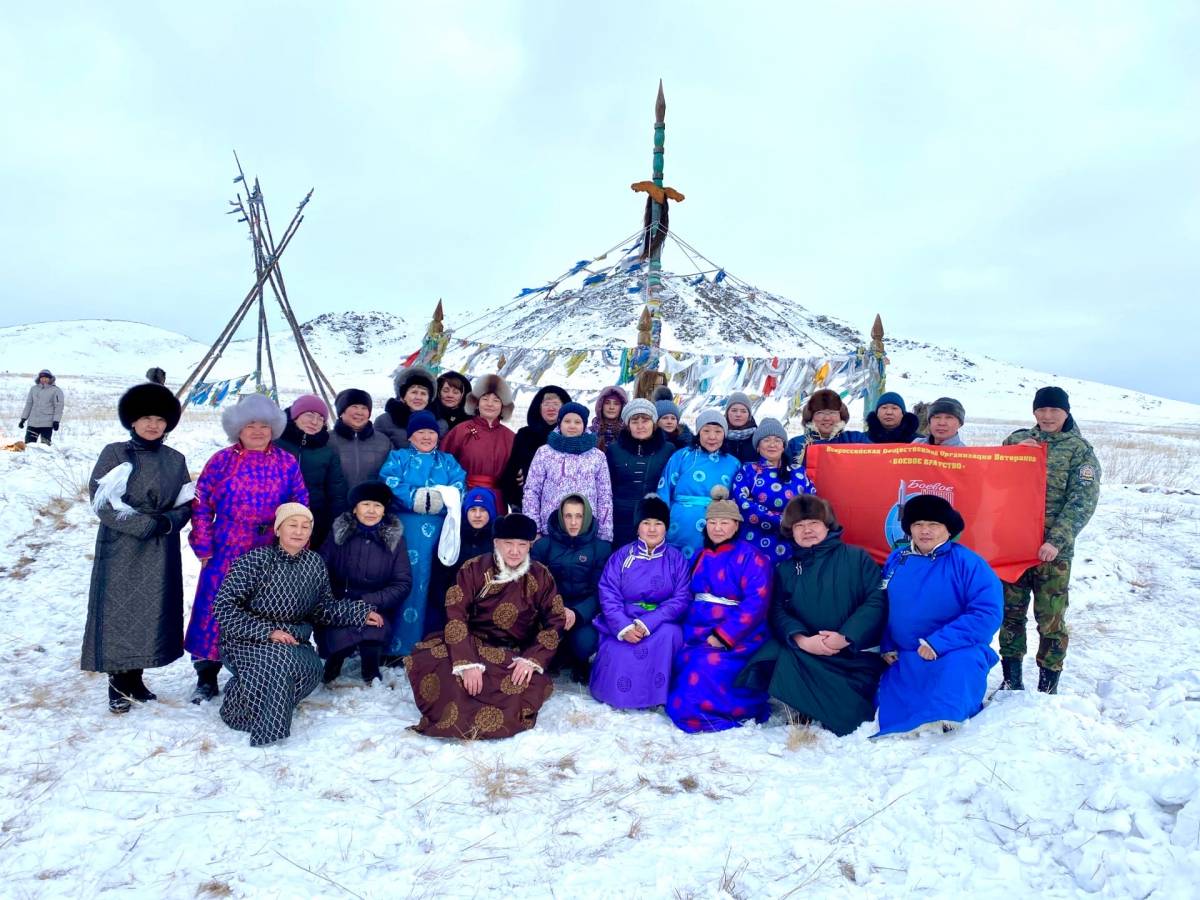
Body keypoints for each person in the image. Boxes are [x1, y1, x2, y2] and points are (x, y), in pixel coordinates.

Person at [214, 503, 382, 746]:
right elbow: (224, 608)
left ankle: (249, 698)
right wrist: (268, 631)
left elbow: (322, 608)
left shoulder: (314, 564)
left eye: (306, 527)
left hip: (293, 641)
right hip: (246, 640)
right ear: (278, 529)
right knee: (277, 664)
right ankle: (252, 720)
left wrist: (357, 613)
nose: (299, 531)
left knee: (311, 670)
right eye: (292, 525)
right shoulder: (254, 560)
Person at [187, 394, 307, 703]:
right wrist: (203, 544)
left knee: (261, 609)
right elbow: (200, 505)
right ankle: (206, 674)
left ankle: (251, 670)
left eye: (264, 425)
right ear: (237, 428)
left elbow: (299, 502)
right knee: (215, 608)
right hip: (227, 544)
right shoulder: (221, 461)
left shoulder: (286, 461)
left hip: (268, 547)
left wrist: (294, 538)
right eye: (250, 425)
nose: (257, 431)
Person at [406, 513, 568, 740]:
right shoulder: (472, 569)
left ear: (530, 546)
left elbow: (556, 620)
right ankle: (451, 720)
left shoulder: (540, 575)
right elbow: (455, 615)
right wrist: (467, 663)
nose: (514, 551)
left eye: (522, 545)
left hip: (511, 654)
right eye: (508, 544)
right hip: (469, 643)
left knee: (519, 686)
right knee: (447, 673)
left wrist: (532, 659)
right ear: (495, 543)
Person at [82, 383, 192, 713]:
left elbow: (187, 503)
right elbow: (102, 502)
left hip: (162, 549)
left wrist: (168, 522)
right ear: (132, 421)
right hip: (122, 547)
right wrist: (143, 525)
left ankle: (137, 679)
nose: (152, 425)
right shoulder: (115, 454)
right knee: (120, 612)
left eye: (159, 419)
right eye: (145, 417)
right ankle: (118, 683)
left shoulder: (175, 459)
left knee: (151, 612)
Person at [737, 495, 885, 736]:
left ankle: (825, 707)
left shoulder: (856, 558)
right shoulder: (785, 569)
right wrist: (802, 639)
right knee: (771, 654)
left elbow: (877, 599)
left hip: (849, 655)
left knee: (854, 713)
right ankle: (799, 705)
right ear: (791, 532)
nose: (807, 530)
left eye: (813, 523)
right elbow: (777, 610)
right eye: (799, 526)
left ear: (827, 525)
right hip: (807, 651)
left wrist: (846, 636)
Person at [999, 387, 1101, 694]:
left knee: (1050, 618)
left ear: (1066, 413)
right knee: (1010, 614)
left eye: (1054, 410)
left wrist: (1056, 540)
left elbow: (1082, 500)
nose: (1047, 416)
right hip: (1014, 547)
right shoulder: (1016, 441)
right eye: (1041, 410)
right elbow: (993, 483)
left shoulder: (1079, 450)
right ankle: (1011, 680)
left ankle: (1048, 683)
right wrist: (1014, 457)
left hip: (1052, 551)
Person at [876, 495, 1003, 736]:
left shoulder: (969, 563)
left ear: (948, 529)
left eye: (933, 525)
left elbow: (986, 613)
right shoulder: (896, 559)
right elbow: (883, 605)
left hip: (954, 651)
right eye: (918, 524)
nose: (925, 531)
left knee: (956, 675)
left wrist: (938, 643)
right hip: (906, 654)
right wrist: (887, 643)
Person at [667, 487, 772, 733]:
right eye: (712, 522)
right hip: (696, 629)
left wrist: (724, 636)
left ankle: (710, 713)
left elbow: (756, 602)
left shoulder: (752, 558)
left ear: (737, 525)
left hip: (736, 636)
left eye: (724, 522)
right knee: (678, 655)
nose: (717, 528)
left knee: (705, 665)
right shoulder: (701, 555)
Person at [378, 410, 467, 658]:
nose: (426, 437)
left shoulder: (448, 461)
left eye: (431, 432)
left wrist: (442, 497)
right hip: (403, 531)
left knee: (432, 585)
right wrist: (414, 496)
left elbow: (460, 484)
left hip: (438, 534)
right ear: (410, 436)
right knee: (403, 581)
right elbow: (388, 481)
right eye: (420, 432)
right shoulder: (398, 458)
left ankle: (428, 642)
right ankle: (395, 645)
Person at [590, 495, 691, 709]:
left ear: (666, 528)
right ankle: (619, 697)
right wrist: (624, 626)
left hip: (661, 622)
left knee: (669, 636)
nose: (652, 529)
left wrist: (649, 623)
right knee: (621, 651)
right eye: (646, 523)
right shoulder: (621, 556)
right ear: (637, 527)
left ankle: (657, 697)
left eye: (658, 523)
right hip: (625, 620)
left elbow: (682, 598)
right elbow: (608, 592)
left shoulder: (676, 559)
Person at [317, 481, 413, 685]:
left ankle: (370, 670)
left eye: (377, 505)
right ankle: (334, 663)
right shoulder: (338, 534)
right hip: (340, 603)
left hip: (376, 604)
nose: (371, 510)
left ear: (384, 510)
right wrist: (340, 605)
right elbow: (320, 571)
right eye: (366, 504)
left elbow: (402, 582)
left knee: (373, 630)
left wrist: (369, 601)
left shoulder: (396, 539)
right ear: (355, 508)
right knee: (338, 637)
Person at [531, 494, 612, 682]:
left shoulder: (601, 549)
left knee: (584, 643)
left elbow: (601, 591)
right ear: (561, 517)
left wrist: (577, 613)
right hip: (551, 609)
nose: (574, 522)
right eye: (568, 516)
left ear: (587, 517)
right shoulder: (543, 546)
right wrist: (555, 610)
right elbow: (536, 587)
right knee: (541, 640)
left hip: (583, 613)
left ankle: (579, 661)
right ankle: (556, 656)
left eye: (579, 516)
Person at [522, 401, 614, 541]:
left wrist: (604, 535)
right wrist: (534, 530)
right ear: (559, 423)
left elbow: (604, 496)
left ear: (584, 425)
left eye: (577, 422)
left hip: (587, 533)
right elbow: (532, 492)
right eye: (567, 421)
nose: (572, 426)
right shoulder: (544, 453)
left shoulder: (597, 456)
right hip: (550, 532)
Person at [657, 409, 740, 558]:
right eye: (706, 431)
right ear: (698, 432)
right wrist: (659, 521)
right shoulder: (682, 456)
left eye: (718, 431)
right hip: (680, 525)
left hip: (717, 527)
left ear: (725, 434)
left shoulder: (733, 463)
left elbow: (737, 500)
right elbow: (664, 490)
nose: (712, 437)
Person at [731, 418, 817, 562]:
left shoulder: (799, 472)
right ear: (758, 447)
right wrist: (782, 520)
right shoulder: (748, 471)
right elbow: (743, 504)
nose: (772, 444)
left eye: (777, 440)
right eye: (766, 440)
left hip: (793, 541)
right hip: (755, 541)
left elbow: (812, 501)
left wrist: (797, 522)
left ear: (783, 446)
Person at [275, 394, 348, 551]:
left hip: (312, 522)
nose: (314, 422)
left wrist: (335, 525)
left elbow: (337, 493)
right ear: (295, 416)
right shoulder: (275, 445)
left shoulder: (327, 453)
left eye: (321, 418)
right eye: (309, 414)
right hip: (274, 520)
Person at [427, 487, 498, 636]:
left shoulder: (498, 540)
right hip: (452, 605)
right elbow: (439, 579)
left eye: (483, 510)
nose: (477, 515)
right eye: (473, 509)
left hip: (488, 607)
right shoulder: (452, 536)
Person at [606, 398, 676, 548]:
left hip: (654, 520)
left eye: (645, 420)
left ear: (654, 423)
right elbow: (607, 487)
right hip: (620, 521)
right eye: (634, 421)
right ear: (627, 425)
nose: (640, 426)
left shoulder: (668, 450)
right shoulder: (614, 450)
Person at [442, 374, 516, 515]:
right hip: (464, 496)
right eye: (485, 398)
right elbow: (443, 465)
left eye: (496, 400)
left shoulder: (511, 437)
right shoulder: (460, 431)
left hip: (497, 500)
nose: (490, 404)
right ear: (476, 403)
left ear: (503, 406)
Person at [499, 384, 570, 513]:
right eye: (546, 404)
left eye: (556, 404)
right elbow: (512, 469)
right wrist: (516, 479)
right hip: (529, 504)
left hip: (565, 506)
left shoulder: (572, 437)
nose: (551, 408)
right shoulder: (524, 435)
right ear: (539, 407)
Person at [329, 388, 393, 489]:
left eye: (364, 408)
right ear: (342, 412)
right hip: (335, 503)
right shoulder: (327, 440)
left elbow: (391, 475)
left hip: (371, 502)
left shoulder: (383, 442)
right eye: (354, 406)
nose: (359, 412)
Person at [785, 389, 870, 462]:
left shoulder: (855, 439)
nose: (827, 418)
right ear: (811, 417)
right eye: (820, 413)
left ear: (841, 416)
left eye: (832, 413)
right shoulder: (796, 444)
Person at [376, 365, 441, 449]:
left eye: (423, 393)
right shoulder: (384, 422)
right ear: (403, 396)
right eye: (414, 392)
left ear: (429, 398)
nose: (418, 397)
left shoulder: (440, 423)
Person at [19, 369, 64, 445]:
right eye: (42, 378)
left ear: (50, 378)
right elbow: (29, 404)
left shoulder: (56, 390)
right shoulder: (33, 389)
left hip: (46, 424)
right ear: (39, 378)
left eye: (46, 377)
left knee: (45, 447)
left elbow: (59, 407)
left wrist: (56, 421)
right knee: (29, 446)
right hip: (32, 423)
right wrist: (23, 419)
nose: (44, 379)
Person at [721, 392, 760, 464]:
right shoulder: (717, 437)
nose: (738, 414)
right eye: (734, 410)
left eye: (743, 411)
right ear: (727, 413)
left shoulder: (758, 438)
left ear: (749, 415)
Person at [589, 385, 628, 452]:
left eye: (616, 404)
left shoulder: (629, 434)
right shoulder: (589, 433)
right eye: (607, 403)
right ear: (601, 405)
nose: (611, 407)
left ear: (622, 407)